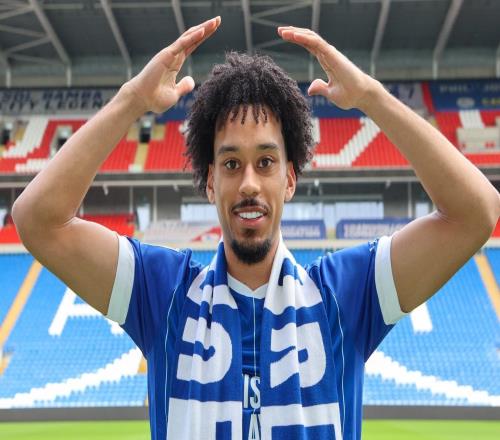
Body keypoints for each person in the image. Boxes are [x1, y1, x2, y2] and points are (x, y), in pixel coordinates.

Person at [12, 16, 499, 440]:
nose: (248, 183)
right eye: (231, 164)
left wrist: (371, 97)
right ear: (210, 182)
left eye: (265, 162)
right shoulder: (163, 296)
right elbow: (37, 220)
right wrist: (131, 100)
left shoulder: (344, 297)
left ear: (289, 179)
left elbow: (476, 212)